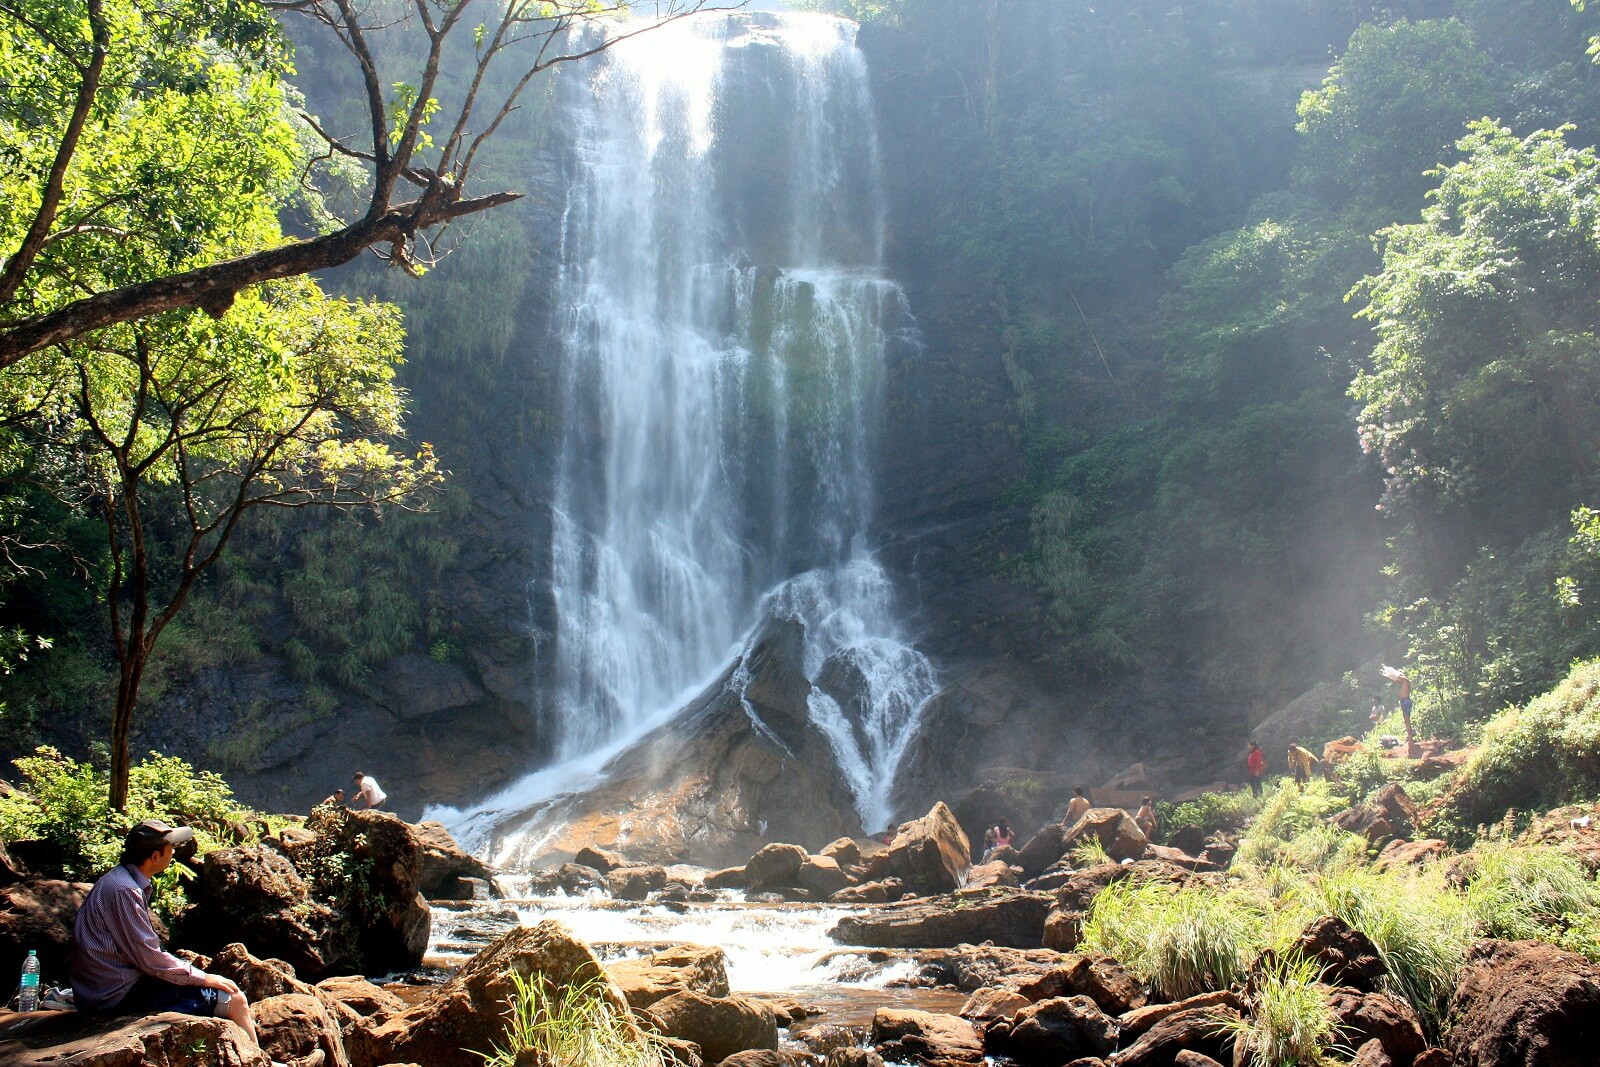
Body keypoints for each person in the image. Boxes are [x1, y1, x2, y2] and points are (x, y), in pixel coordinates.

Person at [71, 820, 258, 1044]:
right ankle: (256, 1058)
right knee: (234, 999)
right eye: (171, 848)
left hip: (103, 986)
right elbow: (149, 959)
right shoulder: (125, 891)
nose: (174, 852)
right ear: (155, 857)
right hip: (114, 994)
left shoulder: (119, 879)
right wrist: (204, 978)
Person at [1382, 665, 1415, 745]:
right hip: (1404, 701)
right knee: (1406, 721)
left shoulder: (1406, 681)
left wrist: (1396, 674)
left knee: (1407, 721)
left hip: (1405, 701)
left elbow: (1399, 677)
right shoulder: (1404, 683)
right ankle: (1410, 738)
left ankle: (1410, 740)